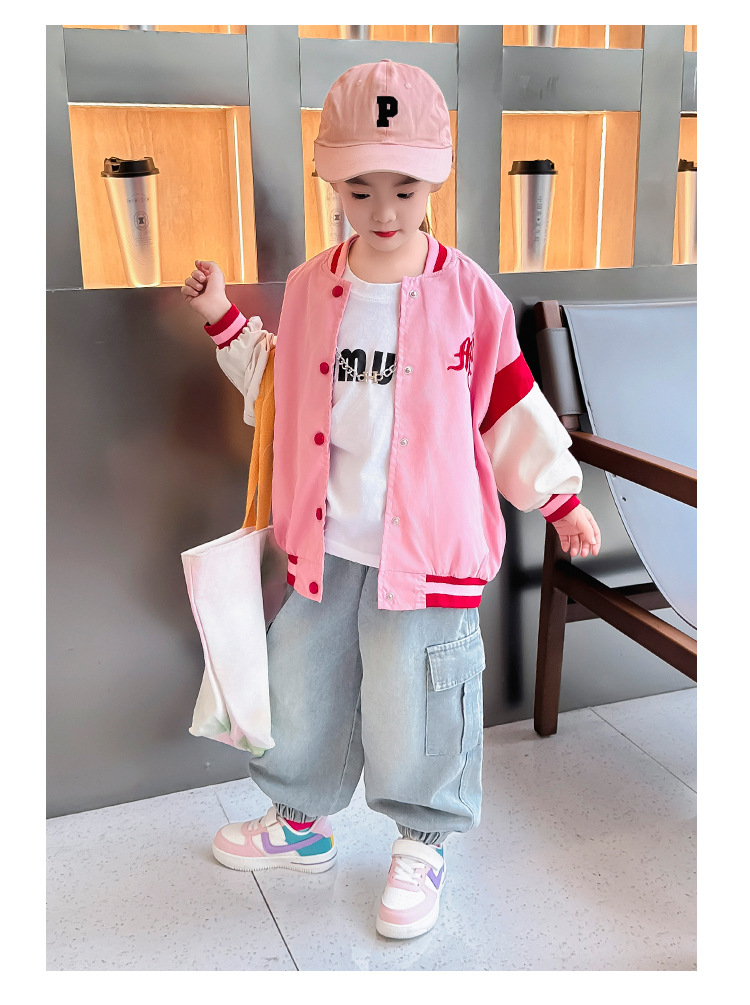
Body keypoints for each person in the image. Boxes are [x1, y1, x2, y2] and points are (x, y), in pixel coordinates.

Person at [181, 59, 601, 941]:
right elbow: (283, 389)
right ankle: (300, 822)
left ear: (434, 181)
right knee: (304, 685)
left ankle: (420, 840)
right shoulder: (310, 286)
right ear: (330, 182)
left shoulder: (469, 295)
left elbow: (508, 405)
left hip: (430, 550)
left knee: (418, 695)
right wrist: (223, 318)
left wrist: (561, 498)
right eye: (359, 189)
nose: (381, 211)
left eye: (404, 190)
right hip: (326, 543)